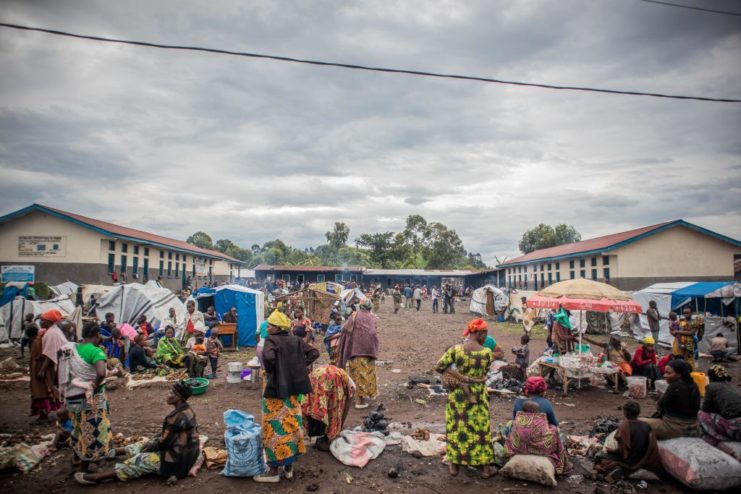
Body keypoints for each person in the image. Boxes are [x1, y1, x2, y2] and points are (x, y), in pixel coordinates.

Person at [75, 381, 199, 485]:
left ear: (180, 397)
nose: (168, 394)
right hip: (190, 454)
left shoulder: (176, 418)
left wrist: (151, 447)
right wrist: (152, 442)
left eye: (172, 392)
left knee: (139, 460)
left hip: (177, 462)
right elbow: (168, 437)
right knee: (146, 443)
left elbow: (164, 443)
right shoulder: (188, 411)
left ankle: (97, 477)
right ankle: (113, 452)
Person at [255, 310, 319, 483]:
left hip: (275, 392)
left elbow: (268, 357)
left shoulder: (271, 340)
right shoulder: (296, 340)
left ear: (277, 328)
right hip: (292, 392)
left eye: (270, 325)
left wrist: (273, 370)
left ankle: (274, 472)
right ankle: (289, 468)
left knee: (274, 427)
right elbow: (314, 353)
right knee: (291, 424)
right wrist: (297, 366)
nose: (267, 328)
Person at [436, 319, 495, 478]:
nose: (485, 337)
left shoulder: (455, 350)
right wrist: (472, 378)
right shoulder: (487, 352)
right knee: (481, 429)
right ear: (477, 332)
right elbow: (485, 371)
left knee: (456, 427)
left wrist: (459, 376)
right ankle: (485, 468)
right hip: (478, 394)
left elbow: (439, 367)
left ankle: (454, 465)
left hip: (458, 397)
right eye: (485, 333)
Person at [57, 322, 110, 472]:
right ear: (97, 335)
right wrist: (92, 386)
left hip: (72, 397)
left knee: (77, 428)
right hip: (90, 398)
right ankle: (84, 467)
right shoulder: (95, 351)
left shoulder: (71, 348)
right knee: (92, 430)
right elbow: (100, 373)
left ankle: (75, 458)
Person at [594, 401, 661, 481]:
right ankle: (623, 470)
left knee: (598, 456)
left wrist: (614, 451)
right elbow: (652, 446)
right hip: (644, 461)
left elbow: (624, 449)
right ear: (638, 412)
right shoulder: (647, 426)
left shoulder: (625, 425)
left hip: (630, 461)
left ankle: (622, 470)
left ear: (625, 413)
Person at [506, 400, 570, 475]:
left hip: (519, 448)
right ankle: (564, 463)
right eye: (537, 410)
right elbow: (548, 432)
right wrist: (553, 428)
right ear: (534, 411)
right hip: (540, 449)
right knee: (555, 431)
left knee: (510, 432)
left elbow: (512, 436)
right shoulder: (540, 420)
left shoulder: (517, 420)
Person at [641, 359, 701, 439]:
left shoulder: (675, 386)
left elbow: (659, 406)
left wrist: (661, 397)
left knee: (635, 423)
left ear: (679, 375)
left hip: (674, 426)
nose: (664, 375)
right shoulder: (694, 385)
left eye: (668, 373)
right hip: (693, 425)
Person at [302, 364, 355, 451]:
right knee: (334, 410)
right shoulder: (351, 387)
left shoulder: (343, 377)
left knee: (315, 405)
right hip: (330, 377)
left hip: (315, 375)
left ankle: (316, 434)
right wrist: (340, 425)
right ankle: (326, 436)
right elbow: (344, 408)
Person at [337, 300, 380, 409]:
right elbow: (373, 333)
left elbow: (345, 329)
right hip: (368, 351)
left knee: (357, 376)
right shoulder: (372, 317)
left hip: (355, 351)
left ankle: (359, 399)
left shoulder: (354, 315)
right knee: (368, 375)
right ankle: (360, 402)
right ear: (370, 308)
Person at [697, 364, 741, 460]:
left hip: (735, 428)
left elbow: (706, 409)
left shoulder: (711, 387)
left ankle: (714, 438)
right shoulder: (731, 387)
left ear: (711, 377)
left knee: (701, 414)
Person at [30, 310, 66, 421]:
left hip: (52, 366)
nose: (41, 322)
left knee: (47, 389)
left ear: (49, 321)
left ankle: (53, 413)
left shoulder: (52, 333)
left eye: (43, 320)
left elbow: (50, 354)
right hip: (58, 363)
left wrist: (42, 370)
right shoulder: (53, 331)